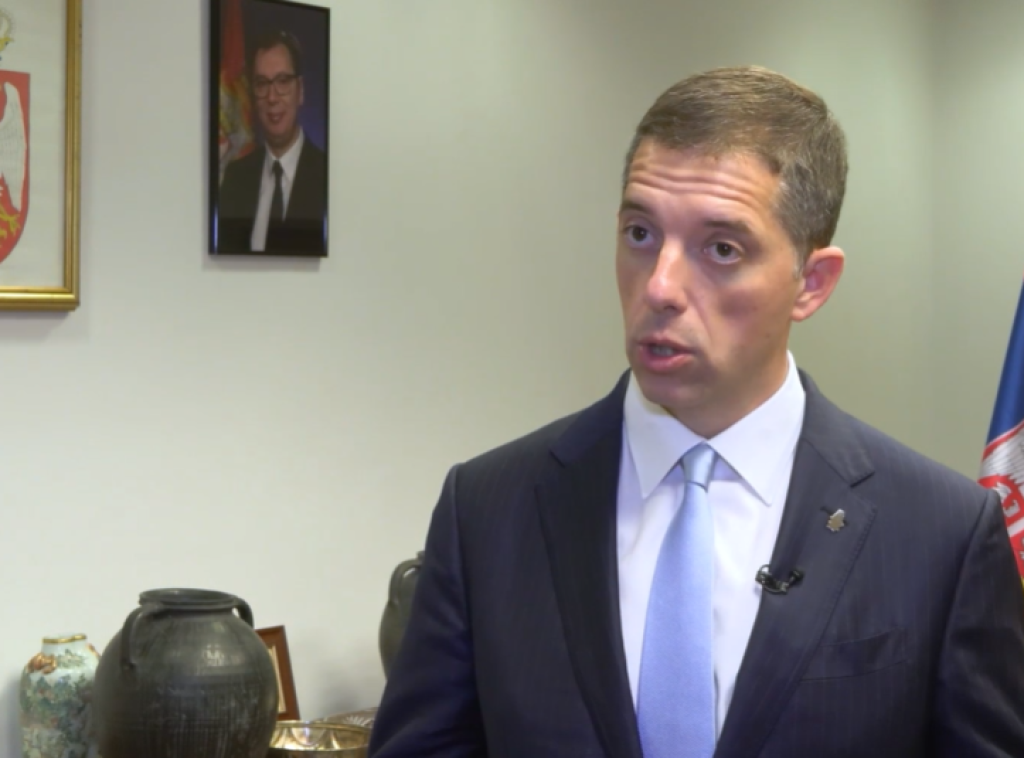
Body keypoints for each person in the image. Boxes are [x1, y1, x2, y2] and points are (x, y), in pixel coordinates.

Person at [368, 66, 1024, 757]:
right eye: (640, 233)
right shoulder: (487, 510)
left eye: (721, 248)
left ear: (811, 282)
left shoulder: (941, 534)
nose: (660, 286)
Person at [216, 30, 327, 255]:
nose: (272, 97)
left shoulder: (327, 175)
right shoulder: (235, 178)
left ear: (300, 90)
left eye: (283, 81)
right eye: (262, 83)